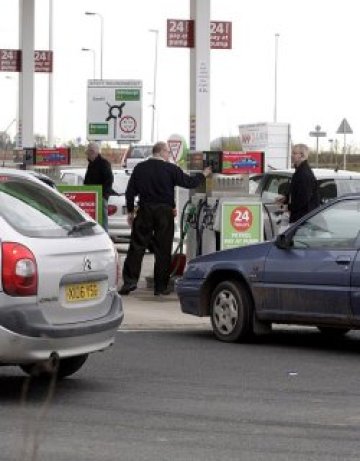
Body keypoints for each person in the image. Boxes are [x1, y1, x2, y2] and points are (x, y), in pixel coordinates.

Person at [119, 141, 212, 296]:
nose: (169, 155)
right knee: (163, 249)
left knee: (136, 248)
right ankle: (160, 287)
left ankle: (129, 283)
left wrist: (130, 212)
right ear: (161, 152)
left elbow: (130, 192)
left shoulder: (140, 168)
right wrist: (204, 174)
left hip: (145, 211)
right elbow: (189, 183)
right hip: (164, 212)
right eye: (168, 152)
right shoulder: (170, 169)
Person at [277, 143, 320, 223]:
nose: (291, 155)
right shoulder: (300, 171)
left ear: (301, 155)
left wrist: (288, 207)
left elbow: (303, 199)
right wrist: (286, 198)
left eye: (294, 153)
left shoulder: (304, 173)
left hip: (303, 219)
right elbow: (297, 192)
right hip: (301, 218)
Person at [84, 141, 114, 232]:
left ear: (93, 152)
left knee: (102, 220)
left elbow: (109, 180)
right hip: (91, 197)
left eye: (87, 152)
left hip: (100, 197)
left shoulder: (103, 164)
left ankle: (105, 237)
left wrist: (103, 196)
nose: (87, 155)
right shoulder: (91, 164)